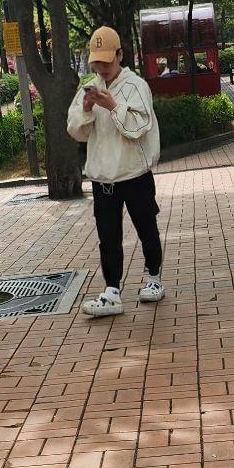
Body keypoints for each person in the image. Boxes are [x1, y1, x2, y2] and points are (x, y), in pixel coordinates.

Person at [67, 25, 164, 318]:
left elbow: (138, 127)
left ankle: (154, 277)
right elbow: (76, 131)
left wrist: (112, 106)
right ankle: (111, 291)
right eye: (97, 61)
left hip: (135, 174)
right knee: (108, 236)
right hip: (103, 178)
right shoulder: (89, 87)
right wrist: (86, 108)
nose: (102, 67)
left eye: (107, 60)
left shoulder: (136, 86)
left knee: (146, 227)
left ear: (120, 55)